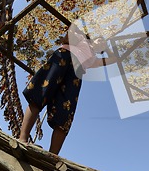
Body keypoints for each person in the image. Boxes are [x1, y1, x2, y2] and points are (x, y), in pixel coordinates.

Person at [18, 24, 117, 155]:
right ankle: (22, 138)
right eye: (100, 40)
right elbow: (72, 30)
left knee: (66, 111)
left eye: (104, 45)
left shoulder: (93, 60)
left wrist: (110, 47)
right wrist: (83, 31)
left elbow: (113, 59)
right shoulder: (80, 39)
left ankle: (52, 155)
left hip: (76, 73)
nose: (102, 43)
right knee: (41, 93)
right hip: (64, 57)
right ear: (94, 38)